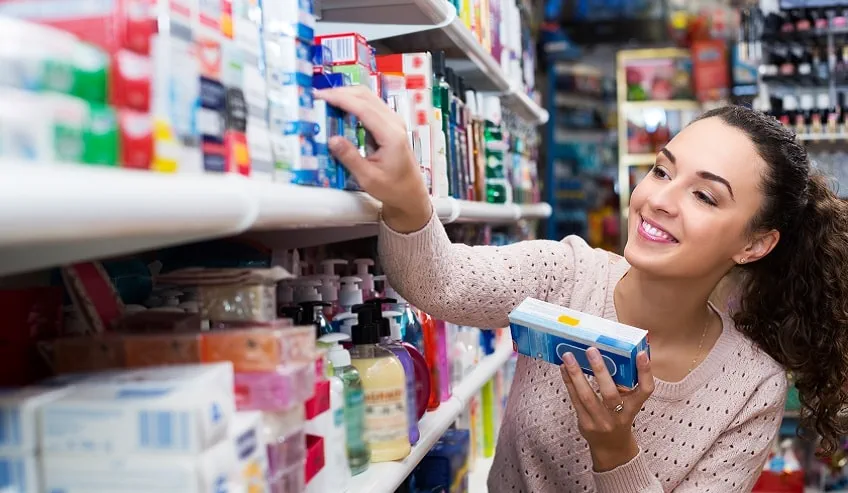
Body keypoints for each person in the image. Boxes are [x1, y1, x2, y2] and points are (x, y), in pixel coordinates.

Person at [316, 86, 848, 492]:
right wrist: (409, 198)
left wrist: (614, 449)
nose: (660, 200)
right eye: (662, 172)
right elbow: (441, 284)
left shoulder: (751, 387)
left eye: (705, 197)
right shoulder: (565, 274)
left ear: (754, 244)